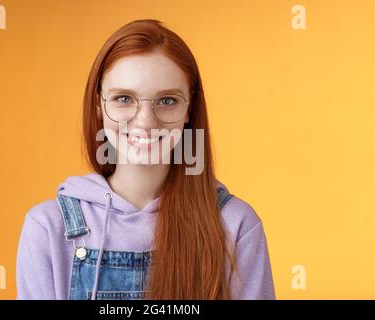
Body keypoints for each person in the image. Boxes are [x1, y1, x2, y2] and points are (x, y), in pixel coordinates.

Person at [16, 19, 276, 300]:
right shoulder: (49, 228)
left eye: (166, 100)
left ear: (189, 110)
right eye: (124, 98)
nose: (145, 122)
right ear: (99, 107)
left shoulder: (235, 225)